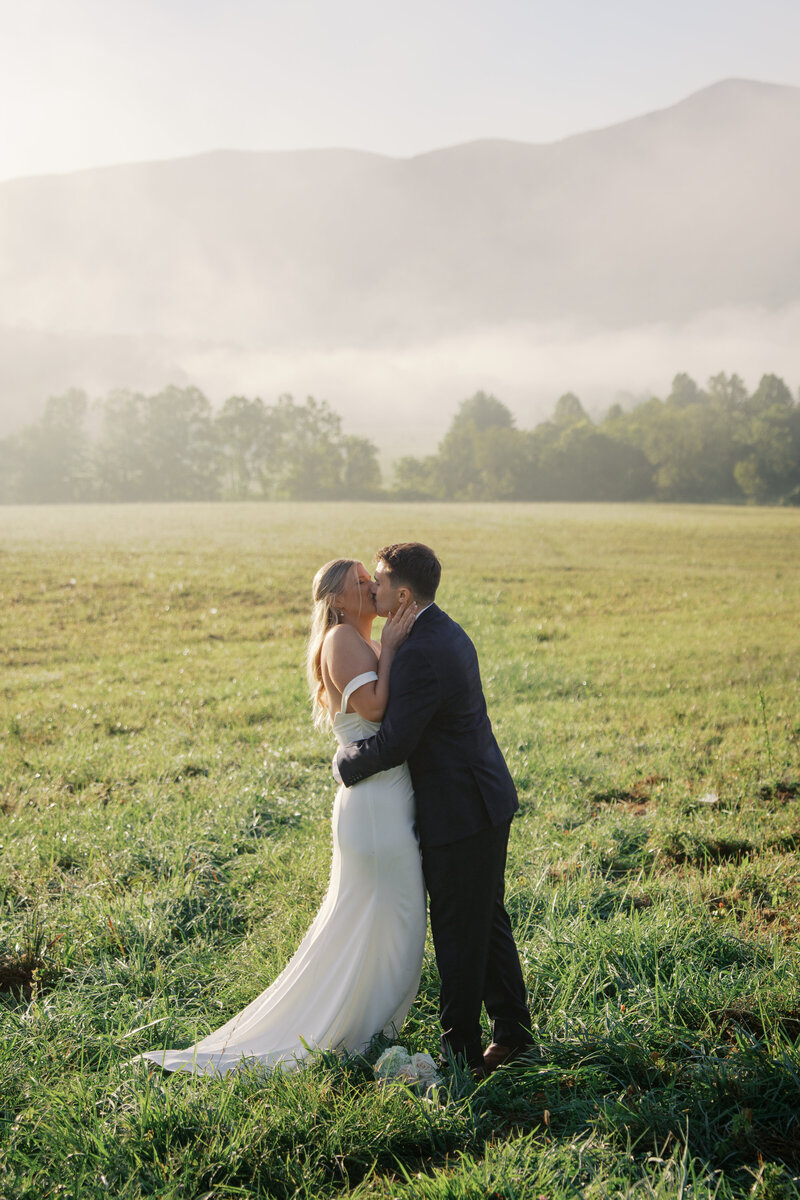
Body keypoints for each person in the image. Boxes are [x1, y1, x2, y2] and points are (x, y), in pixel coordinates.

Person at [133, 558, 425, 1076]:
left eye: (369, 578)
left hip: (386, 795)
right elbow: (376, 710)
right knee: (390, 918)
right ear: (337, 599)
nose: (370, 586)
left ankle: (361, 1026)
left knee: (386, 921)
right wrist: (398, 647)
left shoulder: (369, 643)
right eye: (360, 581)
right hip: (374, 805)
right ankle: (349, 1032)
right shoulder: (342, 641)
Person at [335, 543, 533, 1078]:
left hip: (462, 810)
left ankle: (462, 1054)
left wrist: (344, 765)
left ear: (402, 593)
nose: (372, 590)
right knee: (485, 921)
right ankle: (514, 1034)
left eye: (377, 582)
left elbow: (395, 742)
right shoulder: (440, 628)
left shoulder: (422, 649)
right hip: (483, 798)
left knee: (457, 931)